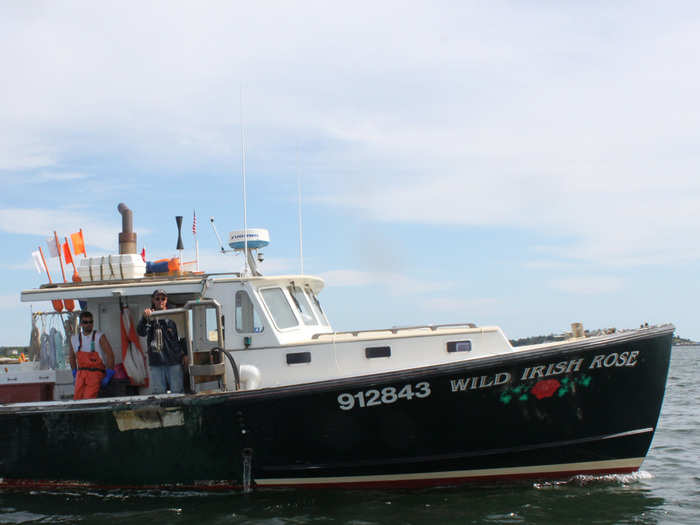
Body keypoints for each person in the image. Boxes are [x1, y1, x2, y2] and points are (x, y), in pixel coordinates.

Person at [137, 289, 188, 394]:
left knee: (177, 392)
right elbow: (141, 332)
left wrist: (186, 354)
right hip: (156, 362)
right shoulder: (149, 316)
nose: (160, 301)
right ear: (153, 300)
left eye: (163, 298)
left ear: (166, 300)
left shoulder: (174, 315)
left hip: (174, 362)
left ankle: (177, 410)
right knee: (159, 393)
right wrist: (144, 318)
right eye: (157, 298)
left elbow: (183, 337)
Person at [69, 311, 115, 400]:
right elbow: (71, 357)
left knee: (88, 399)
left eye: (91, 322)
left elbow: (110, 355)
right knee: (77, 399)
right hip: (80, 374)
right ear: (81, 324)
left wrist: (109, 374)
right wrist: (74, 372)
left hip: (95, 374)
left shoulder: (99, 336)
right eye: (85, 322)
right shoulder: (74, 339)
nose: (88, 324)